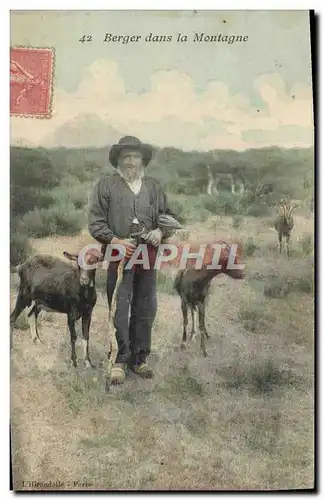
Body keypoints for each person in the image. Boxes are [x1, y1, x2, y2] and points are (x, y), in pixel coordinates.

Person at [88, 136, 176, 384]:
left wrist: (160, 232)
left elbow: (168, 217)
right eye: (126, 157)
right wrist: (115, 241)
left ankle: (139, 358)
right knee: (120, 305)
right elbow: (95, 223)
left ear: (142, 160)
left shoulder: (154, 187)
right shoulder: (105, 186)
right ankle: (119, 359)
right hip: (118, 254)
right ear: (117, 159)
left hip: (147, 254)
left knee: (145, 306)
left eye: (135, 157)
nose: (131, 162)